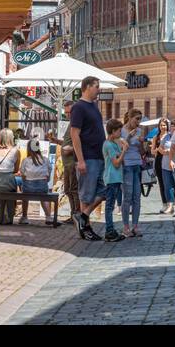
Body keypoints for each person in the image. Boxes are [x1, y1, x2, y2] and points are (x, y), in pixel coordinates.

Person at [69, 76, 107, 241]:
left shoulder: (94, 106)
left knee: (105, 190)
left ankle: (82, 217)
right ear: (87, 87)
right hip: (88, 157)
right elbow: (74, 134)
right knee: (87, 195)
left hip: (99, 156)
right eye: (97, 87)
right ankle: (86, 228)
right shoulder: (79, 107)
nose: (99, 89)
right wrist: (81, 159)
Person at [17, 136, 55, 225]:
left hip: (28, 188)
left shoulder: (26, 160)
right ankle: (48, 217)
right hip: (42, 187)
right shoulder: (45, 160)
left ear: (28, 149)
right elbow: (48, 175)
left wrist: (27, 181)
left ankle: (25, 217)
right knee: (43, 196)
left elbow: (22, 175)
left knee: (25, 196)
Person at [120, 109, 146, 238]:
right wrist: (129, 137)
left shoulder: (140, 131)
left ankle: (135, 225)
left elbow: (142, 151)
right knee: (127, 196)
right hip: (126, 165)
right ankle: (125, 226)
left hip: (137, 164)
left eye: (140, 119)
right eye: (137, 118)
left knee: (137, 197)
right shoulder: (121, 131)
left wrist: (142, 144)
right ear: (130, 118)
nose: (138, 122)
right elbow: (120, 148)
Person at [0, 127, 21, 224]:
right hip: (8, 181)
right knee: (10, 190)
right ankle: (8, 217)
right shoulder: (16, 151)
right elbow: (15, 169)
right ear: (11, 138)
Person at [102, 118, 126, 242]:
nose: (120, 133)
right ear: (112, 131)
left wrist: (122, 150)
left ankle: (111, 229)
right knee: (110, 206)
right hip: (111, 178)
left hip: (116, 178)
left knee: (111, 205)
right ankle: (109, 231)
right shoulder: (108, 145)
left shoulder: (115, 144)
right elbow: (116, 163)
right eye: (118, 131)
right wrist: (124, 151)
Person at [154, 118, 174, 212]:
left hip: (168, 159)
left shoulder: (170, 136)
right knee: (162, 183)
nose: (163, 127)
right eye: (161, 125)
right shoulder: (156, 137)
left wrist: (166, 151)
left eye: (164, 125)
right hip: (159, 160)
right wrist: (158, 150)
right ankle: (165, 203)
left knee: (171, 183)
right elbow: (152, 151)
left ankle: (173, 203)